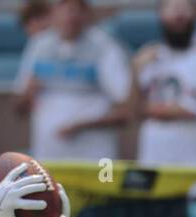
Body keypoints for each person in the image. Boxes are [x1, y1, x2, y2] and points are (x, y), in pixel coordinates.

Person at [134, 0, 196, 200]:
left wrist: (142, 109)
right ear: (160, 14)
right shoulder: (148, 55)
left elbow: (190, 109)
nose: (178, 14)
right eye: (171, 7)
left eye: (185, 7)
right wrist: (134, 69)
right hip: (154, 177)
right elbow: (127, 108)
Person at [15, 0, 132, 162]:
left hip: (96, 159)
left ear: (87, 13)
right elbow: (19, 106)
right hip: (49, 157)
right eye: (65, 7)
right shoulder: (38, 46)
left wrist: (81, 126)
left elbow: (125, 112)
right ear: (53, 12)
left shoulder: (105, 48)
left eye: (78, 8)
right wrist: (27, 95)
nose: (71, 14)